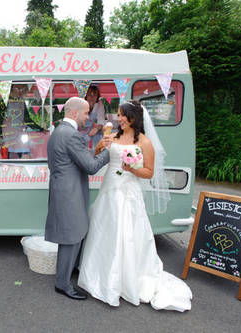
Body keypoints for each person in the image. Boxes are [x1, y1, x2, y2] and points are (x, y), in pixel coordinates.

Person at [77, 100, 192, 311]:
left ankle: (127, 279)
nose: (118, 118)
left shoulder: (145, 143)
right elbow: (97, 157)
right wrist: (98, 148)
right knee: (104, 231)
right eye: (118, 115)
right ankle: (99, 277)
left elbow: (149, 171)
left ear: (133, 118)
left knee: (128, 234)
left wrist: (132, 170)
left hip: (129, 193)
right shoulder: (113, 137)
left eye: (121, 115)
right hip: (108, 191)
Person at [45, 97, 112, 300]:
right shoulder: (71, 135)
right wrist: (109, 152)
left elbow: (79, 157)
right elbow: (91, 167)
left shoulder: (59, 131)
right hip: (70, 193)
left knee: (73, 233)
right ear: (74, 113)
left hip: (63, 190)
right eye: (85, 113)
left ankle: (70, 270)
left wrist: (97, 148)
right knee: (71, 237)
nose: (88, 117)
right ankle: (62, 284)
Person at [0, 84, 44, 159]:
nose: (20, 92)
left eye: (23, 90)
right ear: (12, 89)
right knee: (8, 155)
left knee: (24, 153)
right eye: (18, 89)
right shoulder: (5, 101)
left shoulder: (21, 101)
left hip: (20, 133)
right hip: (7, 133)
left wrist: (40, 129)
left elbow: (27, 119)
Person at [80, 85, 106, 153]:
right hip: (80, 130)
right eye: (89, 95)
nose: (92, 97)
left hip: (91, 131)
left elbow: (101, 122)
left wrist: (96, 128)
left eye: (94, 95)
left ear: (97, 97)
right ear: (86, 96)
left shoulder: (100, 105)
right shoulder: (82, 104)